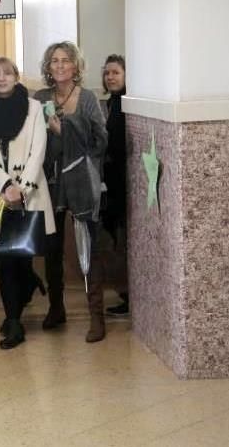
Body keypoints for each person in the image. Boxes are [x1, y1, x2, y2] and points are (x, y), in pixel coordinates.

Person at [0, 57, 56, 349]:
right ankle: (14, 322)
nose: (2, 78)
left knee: (22, 256)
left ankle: (23, 295)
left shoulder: (32, 108)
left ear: (17, 76)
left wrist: (22, 188)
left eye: (8, 73)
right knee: (2, 258)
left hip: (27, 193)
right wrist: (4, 184)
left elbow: (38, 151)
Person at [34, 41, 109, 343]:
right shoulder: (39, 98)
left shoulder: (88, 99)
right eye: (55, 61)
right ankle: (56, 307)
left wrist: (65, 133)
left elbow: (100, 142)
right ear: (48, 67)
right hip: (50, 182)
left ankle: (96, 316)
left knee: (89, 246)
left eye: (66, 60)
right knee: (52, 247)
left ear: (76, 66)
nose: (61, 65)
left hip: (81, 180)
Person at [100, 54, 129, 316]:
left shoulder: (126, 106)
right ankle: (125, 293)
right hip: (108, 180)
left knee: (120, 240)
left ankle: (129, 294)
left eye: (116, 72)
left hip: (120, 181)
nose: (110, 77)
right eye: (107, 73)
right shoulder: (109, 104)